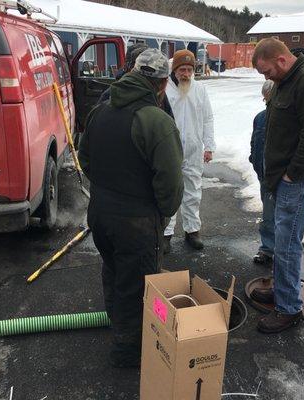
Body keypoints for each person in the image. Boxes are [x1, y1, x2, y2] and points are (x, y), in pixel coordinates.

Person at [78, 49, 184, 367]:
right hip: (135, 221)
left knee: (113, 271)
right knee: (135, 284)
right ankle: (127, 350)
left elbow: (84, 158)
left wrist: (106, 191)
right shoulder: (156, 121)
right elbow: (170, 183)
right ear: (163, 84)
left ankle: (117, 327)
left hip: (99, 213)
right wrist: (162, 213)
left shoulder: (101, 110)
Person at [250, 38, 304, 333]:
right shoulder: (288, 80)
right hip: (284, 178)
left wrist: (292, 174)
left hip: (298, 180)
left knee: (286, 244)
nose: (266, 78)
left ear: (282, 61)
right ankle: (281, 288)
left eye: (267, 72)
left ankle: (288, 309)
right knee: (280, 238)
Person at [163, 49, 215, 252]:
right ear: (174, 69)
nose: (186, 74)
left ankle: (192, 230)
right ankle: (166, 232)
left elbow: (208, 118)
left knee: (193, 190)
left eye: (189, 69)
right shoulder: (164, 87)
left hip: (193, 149)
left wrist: (209, 145)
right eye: (182, 69)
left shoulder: (200, 89)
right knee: (168, 190)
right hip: (169, 149)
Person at [98, 43, 174, 118]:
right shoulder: (112, 93)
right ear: (129, 67)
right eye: (139, 65)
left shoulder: (158, 93)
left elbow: (169, 118)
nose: (144, 71)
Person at [249, 80, 275, 267]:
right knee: (268, 216)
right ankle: (267, 249)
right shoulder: (260, 117)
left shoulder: (286, 119)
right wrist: (253, 159)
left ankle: (282, 253)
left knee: (283, 218)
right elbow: (254, 142)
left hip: (284, 177)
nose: (268, 104)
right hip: (264, 176)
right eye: (266, 101)